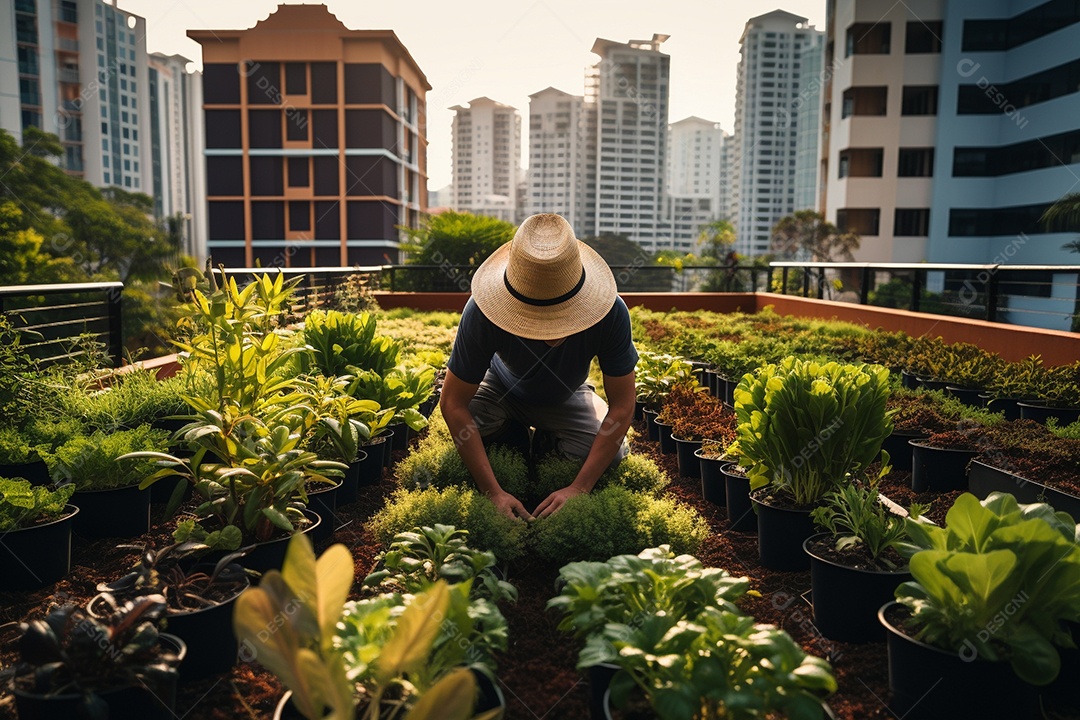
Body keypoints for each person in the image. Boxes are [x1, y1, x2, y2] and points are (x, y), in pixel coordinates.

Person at [440, 214, 638, 521]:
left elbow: (623, 405)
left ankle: (547, 441)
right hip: (501, 390)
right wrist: (492, 492)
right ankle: (512, 435)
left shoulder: (612, 313)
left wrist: (579, 488)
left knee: (612, 453)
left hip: (568, 396)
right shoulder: (480, 312)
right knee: (471, 423)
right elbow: (452, 402)